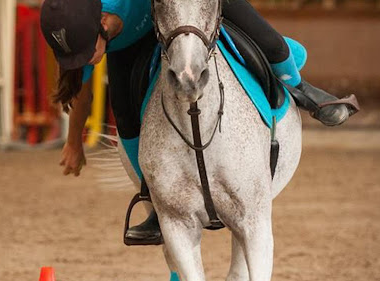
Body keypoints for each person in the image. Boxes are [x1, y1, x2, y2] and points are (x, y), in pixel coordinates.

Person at [40, 0, 359, 245]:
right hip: (133, 44)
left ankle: (302, 89)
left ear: (102, 21)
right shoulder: (82, 26)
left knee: (271, 42)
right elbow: (80, 93)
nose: (84, 61)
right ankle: (152, 196)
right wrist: (73, 143)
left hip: (186, 11)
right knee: (125, 118)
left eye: (86, 53)